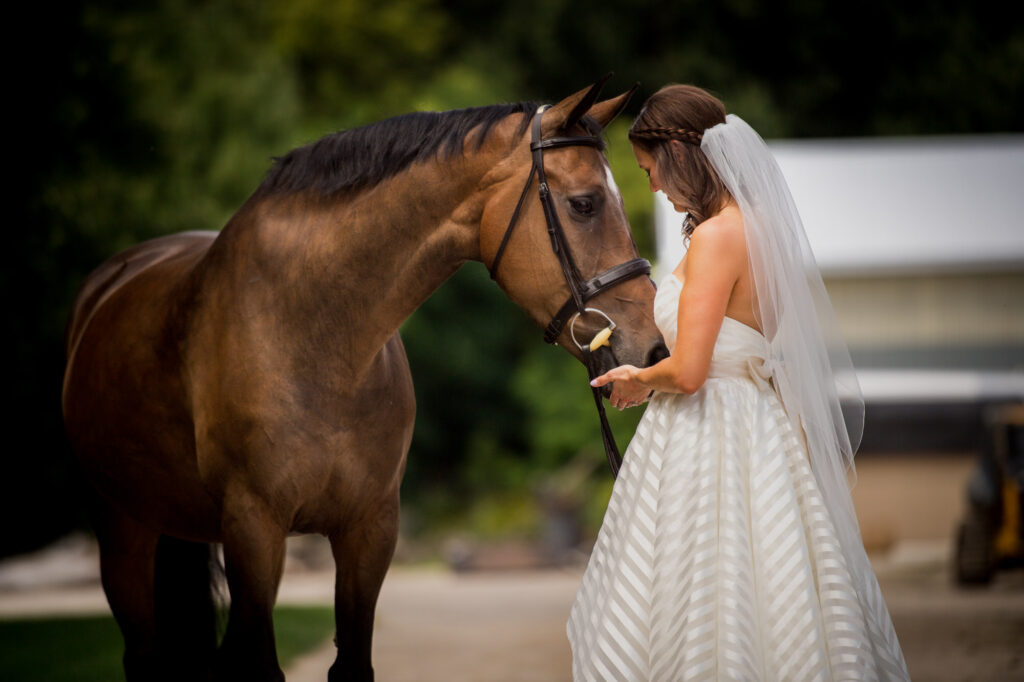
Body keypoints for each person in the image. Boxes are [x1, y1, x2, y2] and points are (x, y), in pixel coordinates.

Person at [566, 84, 911, 681]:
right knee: (774, 581)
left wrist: (637, 378)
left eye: (650, 169)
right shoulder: (760, 231)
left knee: (702, 582)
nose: (651, 185)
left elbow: (692, 372)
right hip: (756, 427)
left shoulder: (719, 234)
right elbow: (736, 349)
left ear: (680, 155)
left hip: (710, 435)